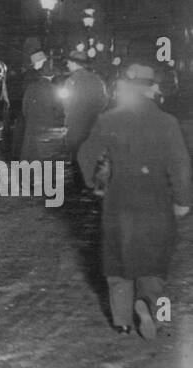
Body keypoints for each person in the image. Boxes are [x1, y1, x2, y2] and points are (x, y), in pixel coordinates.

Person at [78, 61, 192, 338]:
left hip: (118, 200)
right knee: (153, 259)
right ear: (152, 90)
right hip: (156, 200)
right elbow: (180, 165)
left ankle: (122, 321)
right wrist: (182, 200)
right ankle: (149, 304)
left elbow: (85, 155)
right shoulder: (167, 122)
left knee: (117, 262)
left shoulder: (109, 119)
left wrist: (94, 183)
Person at [61, 44, 107, 193]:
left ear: (75, 63)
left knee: (76, 154)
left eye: (69, 62)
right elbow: (104, 101)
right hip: (94, 123)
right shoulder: (97, 80)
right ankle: (93, 182)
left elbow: (66, 103)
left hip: (76, 124)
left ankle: (80, 185)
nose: (67, 64)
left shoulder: (71, 81)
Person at [18, 45, 65, 163]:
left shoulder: (30, 81)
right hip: (46, 129)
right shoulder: (52, 87)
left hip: (31, 127)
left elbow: (25, 109)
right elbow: (59, 110)